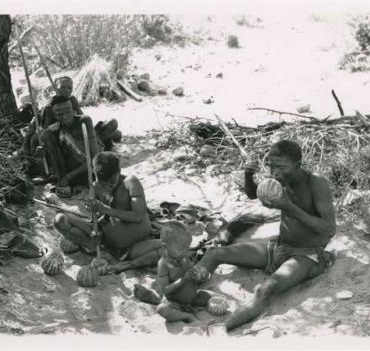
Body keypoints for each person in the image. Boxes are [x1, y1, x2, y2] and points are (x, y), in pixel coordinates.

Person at [191, 140, 336, 332]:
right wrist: (248, 174)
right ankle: (179, 293)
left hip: (306, 255)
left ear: (298, 165)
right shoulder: (280, 179)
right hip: (278, 246)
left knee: (265, 290)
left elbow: (329, 229)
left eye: (281, 167)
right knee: (214, 254)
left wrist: (289, 207)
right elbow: (254, 194)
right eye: (271, 166)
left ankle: (220, 329)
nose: (274, 173)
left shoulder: (317, 183)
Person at [54, 152, 162, 270]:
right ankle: (98, 250)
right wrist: (96, 226)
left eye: (111, 182)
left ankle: (127, 263)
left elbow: (138, 216)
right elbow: (100, 217)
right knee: (60, 219)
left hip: (135, 246)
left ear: (118, 172)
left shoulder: (131, 183)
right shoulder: (95, 187)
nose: (107, 186)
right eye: (103, 183)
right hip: (106, 243)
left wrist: (105, 209)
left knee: (169, 248)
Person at [155, 221, 212, 323]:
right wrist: (182, 280)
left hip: (193, 298)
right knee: (162, 309)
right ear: (165, 247)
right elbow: (165, 290)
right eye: (181, 249)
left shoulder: (184, 258)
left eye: (187, 248)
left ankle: (191, 307)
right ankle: (187, 316)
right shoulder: (163, 264)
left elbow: (193, 271)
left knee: (208, 297)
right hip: (175, 303)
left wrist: (200, 274)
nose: (185, 252)